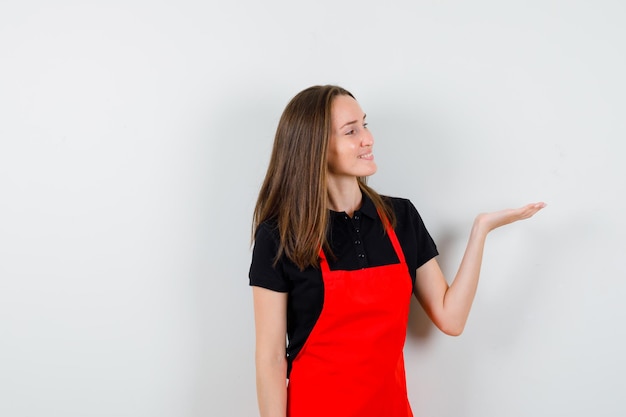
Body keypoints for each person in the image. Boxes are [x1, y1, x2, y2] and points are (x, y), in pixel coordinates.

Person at [249, 85, 545, 417]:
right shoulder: (280, 234)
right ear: (315, 146)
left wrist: (481, 230)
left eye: (365, 124)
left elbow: (452, 318)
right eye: (352, 131)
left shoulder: (399, 218)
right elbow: (271, 358)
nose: (368, 138)